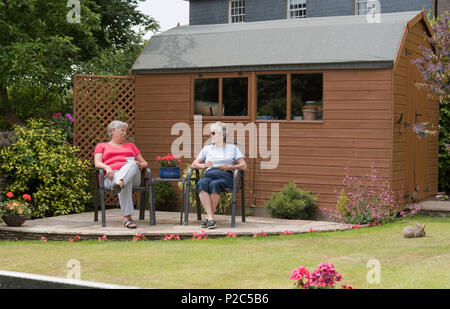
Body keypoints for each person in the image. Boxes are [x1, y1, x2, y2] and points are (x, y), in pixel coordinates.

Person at [191, 122, 247, 229]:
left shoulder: (233, 148)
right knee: (202, 183)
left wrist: (231, 167)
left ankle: (209, 219)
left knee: (215, 184)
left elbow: (244, 166)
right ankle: (211, 218)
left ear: (223, 135)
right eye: (211, 133)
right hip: (209, 174)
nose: (211, 135)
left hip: (226, 176)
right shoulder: (207, 149)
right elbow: (194, 164)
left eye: (213, 133)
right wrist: (203, 165)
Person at [93, 120, 148, 228]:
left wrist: (139, 165)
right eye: (122, 130)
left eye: (125, 131)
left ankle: (119, 183)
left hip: (133, 175)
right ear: (113, 131)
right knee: (125, 182)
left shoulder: (131, 146)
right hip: (111, 177)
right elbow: (97, 163)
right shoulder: (102, 146)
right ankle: (127, 218)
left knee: (131, 164)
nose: (125, 133)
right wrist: (106, 167)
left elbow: (145, 163)